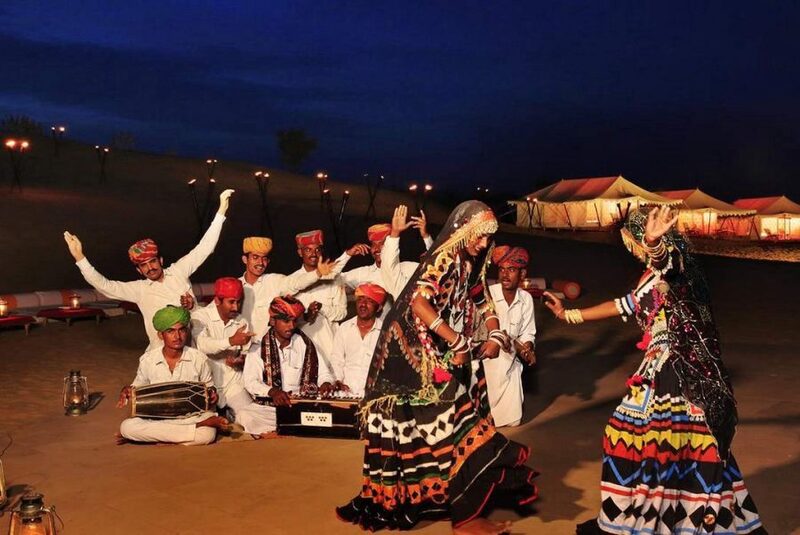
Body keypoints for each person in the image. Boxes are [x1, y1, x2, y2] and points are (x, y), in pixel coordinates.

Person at [543, 206, 764, 534]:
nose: (633, 248)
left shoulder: (679, 266)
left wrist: (654, 244)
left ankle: (673, 517)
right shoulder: (649, 276)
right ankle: (656, 512)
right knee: (647, 442)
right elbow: (624, 305)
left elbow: (667, 264)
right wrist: (569, 315)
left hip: (678, 368)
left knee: (663, 443)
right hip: (657, 365)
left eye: (633, 241)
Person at [337, 201, 538, 535]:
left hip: (432, 349)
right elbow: (419, 302)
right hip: (407, 352)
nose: (483, 243)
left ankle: (452, 505)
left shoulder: (471, 261)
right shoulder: (445, 257)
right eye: (480, 236)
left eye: (489, 238)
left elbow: (479, 298)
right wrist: (459, 342)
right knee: (456, 422)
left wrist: (496, 331)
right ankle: (465, 517)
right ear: (463, 230)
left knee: (440, 426)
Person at [63, 189, 234, 350]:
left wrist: (220, 213)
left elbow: (204, 248)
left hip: (195, 349)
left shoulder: (178, 271)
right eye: (143, 265)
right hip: (159, 355)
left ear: (160, 260)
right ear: (139, 271)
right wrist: (80, 257)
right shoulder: (139, 290)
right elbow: (104, 285)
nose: (150, 268)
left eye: (152, 261)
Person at [116, 305, 229, 446]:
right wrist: (127, 390)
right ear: (160, 335)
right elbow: (137, 389)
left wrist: (213, 395)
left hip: (192, 417)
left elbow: (209, 388)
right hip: (158, 418)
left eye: (181, 330)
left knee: (207, 435)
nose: (177, 336)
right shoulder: (148, 360)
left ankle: (162, 436)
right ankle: (191, 431)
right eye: (170, 331)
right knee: (127, 427)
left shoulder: (198, 358)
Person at [191, 277, 273, 435]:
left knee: (250, 416)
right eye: (231, 302)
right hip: (206, 387)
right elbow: (202, 344)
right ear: (217, 300)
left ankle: (230, 414)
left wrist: (240, 361)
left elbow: (245, 354)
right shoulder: (200, 317)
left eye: (239, 302)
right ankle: (224, 414)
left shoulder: (241, 321)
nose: (236, 307)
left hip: (232, 383)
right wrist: (231, 340)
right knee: (205, 428)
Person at [242, 296, 335, 436]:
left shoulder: (305, 344)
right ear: (273, 321)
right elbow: (250, 381)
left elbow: (323, 373)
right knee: (245, 415)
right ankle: (294, 427)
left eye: (294, 321)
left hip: (302, 404)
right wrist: (273, 392)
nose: (291, 326)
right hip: (272, 409)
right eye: (286, 321)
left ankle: (286, 428)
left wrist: (326, 383)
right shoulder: (258, 347)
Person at [291, 229, 368, 371]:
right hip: (300, 350)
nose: (313, 254)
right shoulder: (293, 281)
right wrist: (306, 316)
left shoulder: (334, 278)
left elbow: (342, 313)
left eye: (317, 249)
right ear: (300, 252)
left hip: (330, 350)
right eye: (308, 250)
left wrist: (322, 308)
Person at [239, 236, 336, 339]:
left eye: (264, 258)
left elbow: (296, 282)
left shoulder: (274, 281)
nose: (261, 263)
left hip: (268, 347)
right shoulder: (236, 285)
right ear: (245, 259)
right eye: (255, 257)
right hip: (243, 348)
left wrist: (317, 273)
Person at [484, 246, 536, 428]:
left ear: (522, 274)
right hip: (487, 363)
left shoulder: (526, 299)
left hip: (510, 364)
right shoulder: (488, 295)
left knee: (513, 420)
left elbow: (528, 332)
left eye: (512, 270)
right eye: (502, 269)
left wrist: (527, 347)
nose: (505, 275)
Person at [328, 283, 387, 397]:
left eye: (369, 301)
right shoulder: (344, 328)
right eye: (360, 299)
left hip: (374, 395)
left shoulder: (385, 331)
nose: (363, 304)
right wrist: (338, 381)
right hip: (345, 394)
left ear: (379, 307)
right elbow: (337, 360)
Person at [379, 205, 435, 300]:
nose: (378, 249)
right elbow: (389, 261)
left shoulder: (411, 268)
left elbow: (438, 260)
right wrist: (395, 233)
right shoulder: (397, 279)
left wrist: (426, 236)